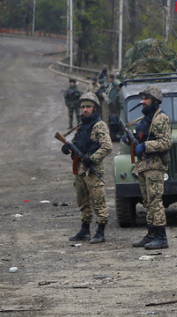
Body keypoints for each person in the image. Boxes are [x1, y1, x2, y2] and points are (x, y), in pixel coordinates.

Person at [125, 85, 172, 250]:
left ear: (155, 100)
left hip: (155, 165)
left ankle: (161, 237)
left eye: (146, 99)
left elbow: (166, 142)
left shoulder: (160, 118)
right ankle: (151, 234)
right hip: (144, 165)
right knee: (147, 202)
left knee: (155, 201)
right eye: (142, 98)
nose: (142, 102)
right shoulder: (146, 119)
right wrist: (131, 140)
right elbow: (142, 136)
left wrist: (145, 146)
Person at [62, 92, 112, 244]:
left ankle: (101, 231)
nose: (85, 110)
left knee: (98, 201)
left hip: (92, 170)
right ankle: (85, 230)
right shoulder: (81, 125)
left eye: (88, 107)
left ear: (95, 108)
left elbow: (107, 147)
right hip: (80, 169)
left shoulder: (99, 125)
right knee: (82, 200)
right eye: (83, 107)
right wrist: (68, 148)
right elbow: (77, 144)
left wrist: (92, 159)